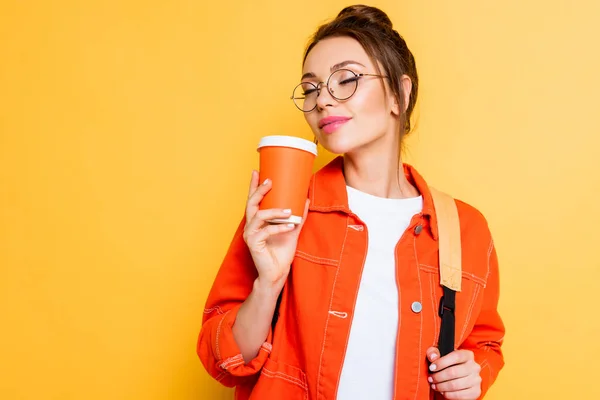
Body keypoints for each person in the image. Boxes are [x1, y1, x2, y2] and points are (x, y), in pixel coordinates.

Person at [197, 5, 505, 399]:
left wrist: (472, 373)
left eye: (345, 80)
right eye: (311, 89)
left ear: (400, 93)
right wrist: (268, 285)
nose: (323, 100)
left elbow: (484, 345)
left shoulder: (463, 228)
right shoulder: (285, 208)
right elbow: (221, 361)